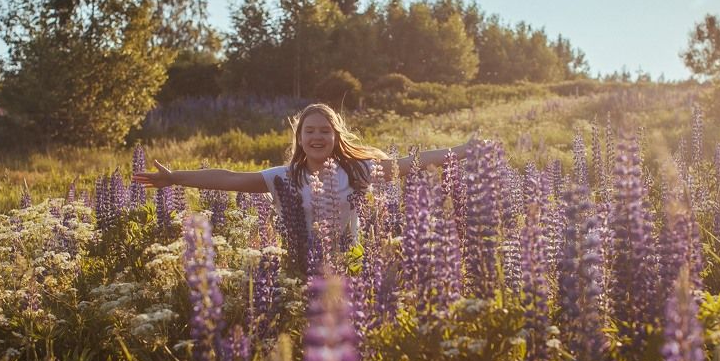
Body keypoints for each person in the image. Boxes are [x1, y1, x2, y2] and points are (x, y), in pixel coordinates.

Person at [133, 102, 478, 242]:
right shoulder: (285, 176)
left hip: (349, 264)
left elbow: (409, 163)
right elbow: (229, 177)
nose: (317, 137)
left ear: (335, 137)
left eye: (325, 131)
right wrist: (175, 177)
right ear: (299, 138)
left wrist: (462, 150)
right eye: (309, 131)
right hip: (298, 266)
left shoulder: (356, 170)